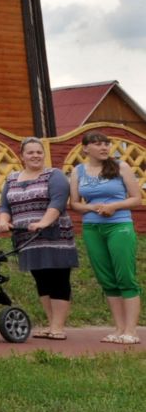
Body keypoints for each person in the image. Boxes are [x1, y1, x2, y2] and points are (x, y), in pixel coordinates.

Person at [0, 136, 79, 339]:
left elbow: (58, 202)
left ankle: (58, 327)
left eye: (39, 152)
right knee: (41, 279)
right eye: (30, 152)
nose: (35, 156)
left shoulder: (54, 175)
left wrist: (43, 222)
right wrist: (3, 221)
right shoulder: (12, 178)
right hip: (27, 238)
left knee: (58, 279)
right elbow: (5, 205)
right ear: (22, 156)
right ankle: (51, 325)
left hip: (54, 236)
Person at [69, 129, 141, 345]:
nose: (104, 147)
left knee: (125, 276)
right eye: (98, 144)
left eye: (106, 144)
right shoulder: (77, 171)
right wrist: (90, 207)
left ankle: (132, 330)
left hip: (119, 226)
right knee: (107, 279)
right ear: (86, 148)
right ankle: (119, 329)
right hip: (92, 228)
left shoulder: (121, 166)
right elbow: (75, 203)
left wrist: (114, 206)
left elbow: (136, 198)